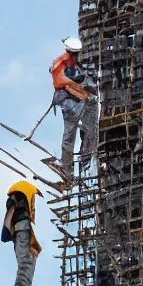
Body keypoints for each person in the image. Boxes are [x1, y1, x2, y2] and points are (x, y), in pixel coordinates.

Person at [49, 37, 98, 182]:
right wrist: (77, 87)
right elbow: (60, 82)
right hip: (68, 104)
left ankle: (86, 161)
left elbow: (83, 85)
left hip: (81, 102)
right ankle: (67, 170)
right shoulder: (59, 64)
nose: (74, 57)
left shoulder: (77, 65)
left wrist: (85, 91)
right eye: (73, 54)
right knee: (69, 135)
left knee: (90, 131)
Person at [1, 180, 42, 286]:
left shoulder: (17, 203)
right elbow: (8, 219)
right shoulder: (16, 200)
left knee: (29, 261)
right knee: (26, 263)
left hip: (23, 232)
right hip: (22, 231)